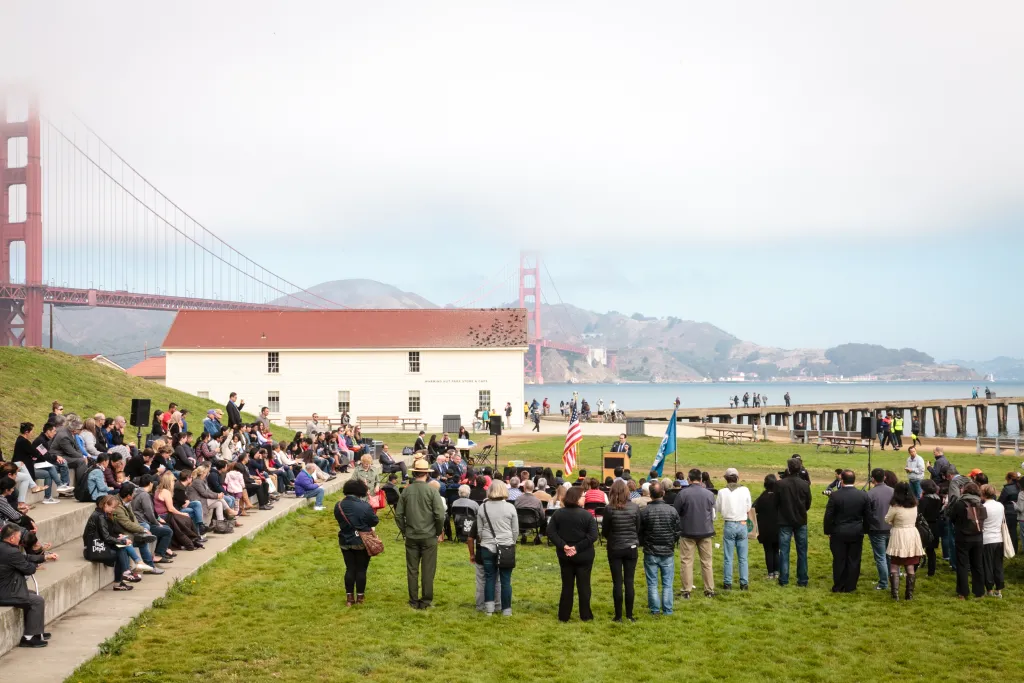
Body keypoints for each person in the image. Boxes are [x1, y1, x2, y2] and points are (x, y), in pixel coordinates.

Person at [395, 458, 446, 610]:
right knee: (428, 570)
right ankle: (425, 600)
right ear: (426, 474)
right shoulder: (432, 491)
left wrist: (405, 530)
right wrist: (437, 532)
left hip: (412, 535)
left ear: (415, 473)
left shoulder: (406, 491)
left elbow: (398, 515)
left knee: (412, 569)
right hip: (429, 536)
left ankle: (413, 600)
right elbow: (440, 515)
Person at [0, 522, 55, 648]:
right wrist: (34, 566)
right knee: (37, 600)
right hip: (4, 592)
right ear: (12, 538)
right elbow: (28, 569)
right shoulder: (11, 552)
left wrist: (45, 558)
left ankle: (37, 632)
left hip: (5, 587)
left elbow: (24, 558)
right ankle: (28, 638)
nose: (20, 539)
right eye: (19, 537)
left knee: (31, 594)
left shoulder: (4, 548)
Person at [467, 480, 518, 617]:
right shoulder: (510, 508)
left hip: (487, 547)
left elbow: (479, 531)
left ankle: (489, 609)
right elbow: (515, 531)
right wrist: (510, 542)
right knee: (505, 580)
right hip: (506, 546)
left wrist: (486, 541)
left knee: (489, 578)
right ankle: (506, 610)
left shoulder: (482, 507)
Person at [548, 485, 598, 622]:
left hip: (566, 555)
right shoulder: (587, 515)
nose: (585, 498)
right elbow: (593, 536)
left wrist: (565, 546)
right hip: (583, 555)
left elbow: (550, 532)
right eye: (583, 496)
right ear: (576, 498)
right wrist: (575, 547)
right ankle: (586, 615)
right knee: (584, 586)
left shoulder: (558, 514)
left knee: (567, 585)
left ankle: (564, 615)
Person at [335, 478, 380, 606]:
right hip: (362, 541)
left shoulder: (338, 505)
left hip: (345, 540)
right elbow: (374, 521)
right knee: (361, 570)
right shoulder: (364, 506)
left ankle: (349, 598)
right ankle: (360, 597)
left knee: (350, 569)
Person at [823, 469, 869, 593]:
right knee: (854, 559)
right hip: (856, 531)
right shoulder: (863, 495)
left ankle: (839, 585)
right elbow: (868, 515)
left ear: (842, 480)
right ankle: (851, 585)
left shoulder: (835, 495)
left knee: (839, 559)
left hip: (838, 531)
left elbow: (829, 516)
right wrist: (864, 529)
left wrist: (828, 531)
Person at [638, 481, 679, 616]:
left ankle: (656, 609)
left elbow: (640, 532)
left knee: (652, 582)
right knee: (667, 583)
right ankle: (666, 609)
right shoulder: (671, 510)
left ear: (651, 495)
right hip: (664, 550)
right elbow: (678, 530)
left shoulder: (645, 512)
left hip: (652, 550)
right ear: (663, 493)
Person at [674, 468, 716, 599]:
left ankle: (686, 590)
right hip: (705, 531)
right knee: (707, 562)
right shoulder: (709, 494)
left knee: (686, 561)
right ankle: (709, 589)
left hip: (688, 532)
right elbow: (713, 514)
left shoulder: (683, 494)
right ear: (701, 479)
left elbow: (675, 512)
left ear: (689, 479)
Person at [602, 480, 640, 621]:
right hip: (630, 547)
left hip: (615, 547)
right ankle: (629, 615)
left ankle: (619, 616)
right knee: (629, 582)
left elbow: (605, 530)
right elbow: (637, 528)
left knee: (618, 582)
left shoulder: (609, 509)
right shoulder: (634, 508)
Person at [83, 495, 139, 591]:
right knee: (120, 550)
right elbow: (106, 537)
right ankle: (123, 575)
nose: (113, 510)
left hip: (96, 546)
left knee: (121, 548)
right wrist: (123, 540)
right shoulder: (100, 516)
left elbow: (108, 532)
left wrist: (119, 537)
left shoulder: (101, 514)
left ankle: (121, 578)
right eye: (112, 507)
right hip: (94, 549)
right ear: (105, 505)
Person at [885, 482, 925, 601]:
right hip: (912, 533)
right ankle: (909, 594)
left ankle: (895, 594)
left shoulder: (895, 506)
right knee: (910, 564)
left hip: (899, 534)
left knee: (894, 564)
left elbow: (887, 519)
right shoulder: (914, 505)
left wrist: (894, 523)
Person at [774, 458, 811, 587]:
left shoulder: (780, 484)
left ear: (788, 469)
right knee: (802, 551)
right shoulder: (804, 484)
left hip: (785, 520)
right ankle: (802, 579)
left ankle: (784, 579)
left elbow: (775, 502)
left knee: (784, 551)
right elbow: (808, 503)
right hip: (800, 520)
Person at [947, 481, 986, 600]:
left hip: (963, 537)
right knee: (977, 564)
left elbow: (952, 517)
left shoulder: (960, 503)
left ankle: (963, 592)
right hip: (978, 536)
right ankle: (979, 592)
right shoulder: (981, 503)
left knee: (962, 564)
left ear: (965, 490)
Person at [716, 467, 752, 591]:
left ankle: (728, 583)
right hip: (742, 523)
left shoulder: (722, 492)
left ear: (726, 478)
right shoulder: (745, 490)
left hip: (729, 524)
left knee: (728, 556)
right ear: (737, 477)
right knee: (743, 557)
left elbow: (718, 509)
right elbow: (749, 507)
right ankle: (744, 583)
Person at [866, 468, 894, 591]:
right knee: (889, 556)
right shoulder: (893, 491)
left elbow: (867, 513)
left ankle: (883, 583)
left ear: (872, 479)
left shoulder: (870, 494)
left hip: (877, 529)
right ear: (884, 478)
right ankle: (892, 578)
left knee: (880, 557)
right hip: (891, 528)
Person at [980, 484, 1005, 598]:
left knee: (988, 565)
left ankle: (989, 589)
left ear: (983, 494)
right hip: (999, 538)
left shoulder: (983, 507)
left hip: (987, 539)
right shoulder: (1000, 505)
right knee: (998, 565)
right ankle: (999, 590)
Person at [753, 475, 781, 580]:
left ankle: (770, 573)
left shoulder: (763, 496)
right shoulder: (779, 496)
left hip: (765, 528)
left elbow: (754, 507)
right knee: (776, 550)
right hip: (778, 527)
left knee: (768, 551)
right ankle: (777, 572)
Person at [918, 480, 943, 577]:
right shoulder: (937, 499)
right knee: (931, 550)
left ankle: (914, 568)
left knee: (919, 548)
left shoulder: (924, 500)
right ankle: (931, 571)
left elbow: (920, 514)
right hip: (935, 525)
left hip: (925, 526)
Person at [998, 473, 1019, 555]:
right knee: (1014, 531)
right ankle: (1015, 549)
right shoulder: (1019, 487)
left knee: (1006, 532)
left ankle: (1007, 550)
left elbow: (1001, 500)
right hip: (1017, 512)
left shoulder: (1007, 489)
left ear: (1009, 479)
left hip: (1008, 512)